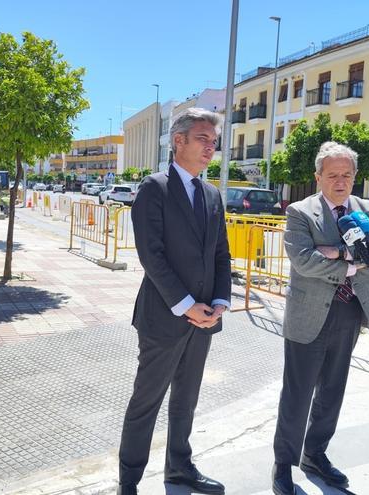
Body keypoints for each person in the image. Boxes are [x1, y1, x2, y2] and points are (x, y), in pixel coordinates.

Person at [117, 108, 231, 495]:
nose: (210, 149)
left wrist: (219, 302)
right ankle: (129, 481)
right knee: (146, 402)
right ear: (178, 140)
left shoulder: (212, 194)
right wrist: (185, 305)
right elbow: (151, 255)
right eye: (202, 139)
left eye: (214, 143)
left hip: (204, 319)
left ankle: (179, 469)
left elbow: (221, 255)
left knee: (186, 400)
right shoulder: (155, 187)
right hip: (164, 317)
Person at [272, 141, 369, 495]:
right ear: (318, 177)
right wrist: (352, 262)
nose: (340, 181)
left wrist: (335, 252)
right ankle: (284, 464)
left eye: (347, 174)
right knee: (298, 394)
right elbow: (304, 261)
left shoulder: (368, 209)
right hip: (308, 315)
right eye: (332, 175)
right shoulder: (300, 212)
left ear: (355, 177)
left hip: (349, 312)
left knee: (332, 391)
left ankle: (315, 454)